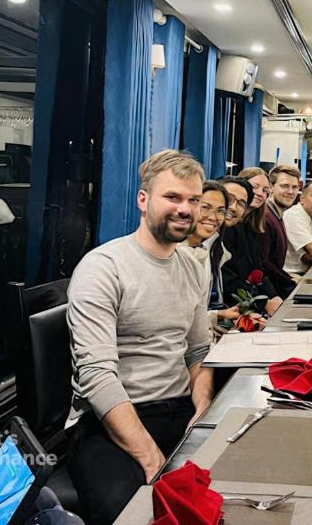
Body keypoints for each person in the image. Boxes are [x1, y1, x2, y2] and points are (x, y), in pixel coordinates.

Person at [67, 150, 215, 525]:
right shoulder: (104, 268)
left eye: (193, 200)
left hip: (179, 409)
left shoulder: (193, 268)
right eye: (173, 197)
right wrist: (152, 458)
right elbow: (97, 375)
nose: (185, 209)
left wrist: (203, 407)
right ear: (143, 199)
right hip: (110, 419)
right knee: (132, 510)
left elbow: (199, 351)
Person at [179, 181, 248, 330]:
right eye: (205, 208)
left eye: (220, 211)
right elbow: (181, 319)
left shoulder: (206, 248)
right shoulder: (175, 253)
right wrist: (219, 315)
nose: (213, 217)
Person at [219, 176, 282, 316]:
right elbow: (228, 281)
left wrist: (273, 297)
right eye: (255, 187)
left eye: (241, 203)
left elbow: (258, 270)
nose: (260, 193)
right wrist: (263, 303)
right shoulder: (203, 241)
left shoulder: (247, 228)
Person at [262, 164, 301, 292]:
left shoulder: (277, 215)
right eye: (284, 186)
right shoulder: (265, 217)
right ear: (271, 187)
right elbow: (264, 265)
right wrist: (289, 281)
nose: (290, 192)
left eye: (294, 187)